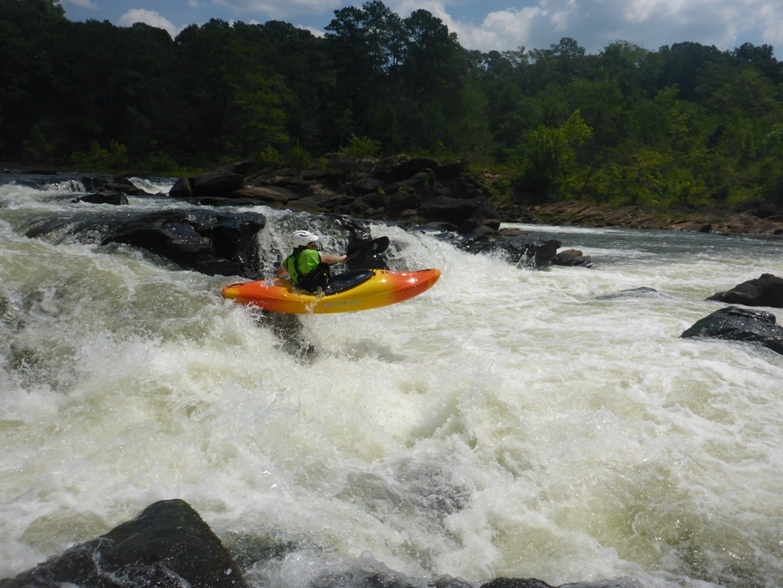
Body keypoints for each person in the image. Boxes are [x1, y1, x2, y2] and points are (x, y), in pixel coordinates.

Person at [277, 230, 347, 292]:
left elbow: (280, 272)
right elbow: (328, 258)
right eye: (311, 243)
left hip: (303, 288)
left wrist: (294, 272)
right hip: (318, 288)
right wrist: (341, 258)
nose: (313, 245)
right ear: (303, 244)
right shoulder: (308, 253)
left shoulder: (289, 259)